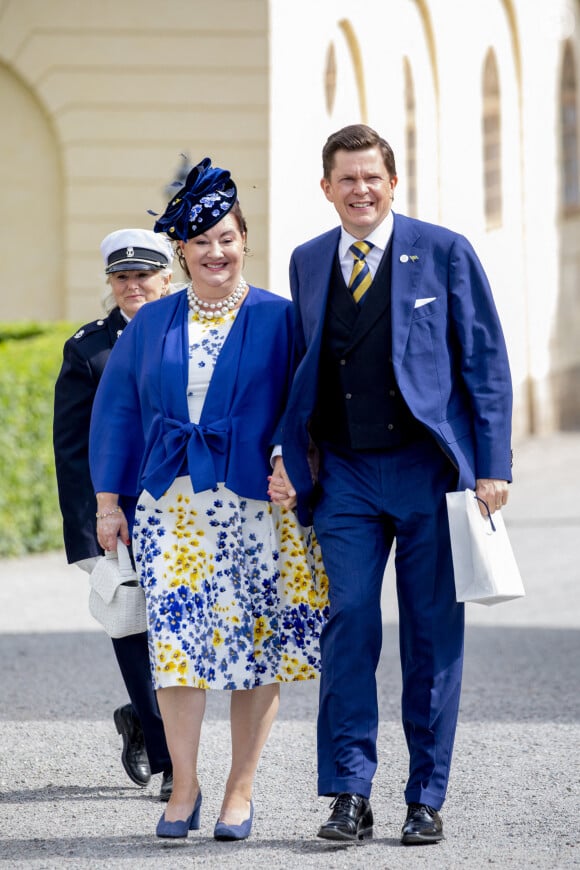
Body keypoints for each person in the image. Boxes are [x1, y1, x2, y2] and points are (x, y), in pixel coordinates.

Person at [268, 124, 513, 846]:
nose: (360, 190)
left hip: (426, 470)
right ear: (326, 188)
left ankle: (425, 796)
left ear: (393, 181)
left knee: (433, 635)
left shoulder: (444, 251)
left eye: (371, 177)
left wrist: (492, 465)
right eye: (346, 179)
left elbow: (486, 364)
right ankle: (349, 791)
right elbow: (303, 364)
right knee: (347, 623)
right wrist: (289, 453)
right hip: (343, 474)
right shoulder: (309, 261)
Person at [88, 158, 328, 841]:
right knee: (178, 652)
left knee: (257, 652)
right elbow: (116, 417)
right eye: (200, 242)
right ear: (182, 252)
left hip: (259, 512)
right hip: (172, 512)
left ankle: (239, 790)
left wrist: (296, 464)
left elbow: (303, 408)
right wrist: (110, 503)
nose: (215, 252)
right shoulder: (152, 322)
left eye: (226, 237)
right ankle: (184, 786)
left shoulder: (282, 319)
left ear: (244, 238)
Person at [53, 228, 175, 800]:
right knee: (133, 625)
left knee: (181, 629)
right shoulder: (89, 348)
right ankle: (170, 757)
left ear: (165, 278)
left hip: (187, 506)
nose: (133, 285)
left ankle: (140, 713)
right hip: (119, 512)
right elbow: (72, 446)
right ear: (111, 283)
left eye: (143, 275)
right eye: (122, 277)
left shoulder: (191, 329)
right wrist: (86, 531)